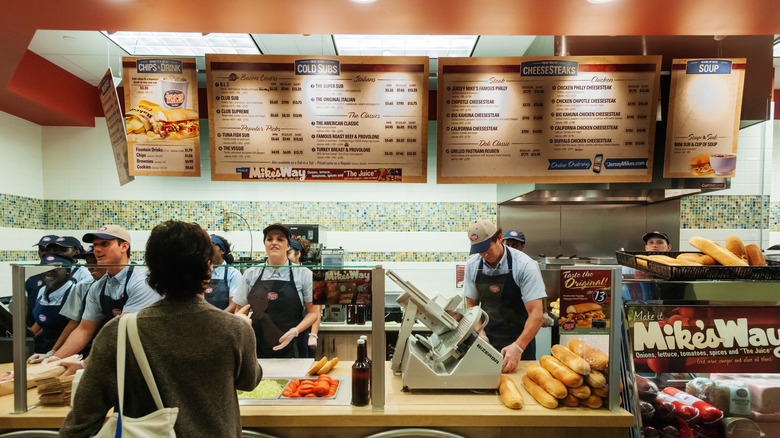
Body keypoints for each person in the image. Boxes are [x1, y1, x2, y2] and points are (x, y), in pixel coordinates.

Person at [60, 220, 262, 438]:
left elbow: (80, 422)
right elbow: (249, 381)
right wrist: (245, 333)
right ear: (208, 267)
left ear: (151, 270)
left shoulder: (118, 331)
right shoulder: (234, 329)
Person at [44, 225, 161, 362]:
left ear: (124, 247)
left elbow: (123, 330)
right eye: (95, 245)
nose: (97, 250)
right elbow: (84, 330)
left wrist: (86, 363)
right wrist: (55, 358)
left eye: (105, 244)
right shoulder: (98, 286)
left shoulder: (142, 281)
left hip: (150, 356)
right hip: (120, 354)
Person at [462, 220, 546, 373]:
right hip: (488, 342)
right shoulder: (472, 266)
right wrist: (481, 335)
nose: (484, 254)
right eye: (479, 250)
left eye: (487, 248)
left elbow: (536, 314)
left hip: (521, 343)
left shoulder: (525, 265)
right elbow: (471, 305)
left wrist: (518, 347)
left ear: (499, 238)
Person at [233, 223, 318, 358]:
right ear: (265, 244)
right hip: (256, 347)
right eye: (269, 239)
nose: (274, 242)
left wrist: (296, 331)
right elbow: (239, 310)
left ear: (288, 245)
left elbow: (313, 312)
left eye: (280, 239)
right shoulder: (251, 273)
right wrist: (242, 323)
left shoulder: (304, 274)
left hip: (293, 347)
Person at [27, 253, 77, 355]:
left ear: (67, 271)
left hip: (66, 350)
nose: (48, 271)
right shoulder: (42, 290)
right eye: (44, 268)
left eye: (54, 268)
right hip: (43, 348)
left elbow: (73, 325)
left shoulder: (74, 291)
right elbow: (44, 322)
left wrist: (52, 353)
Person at [289, 237, 320, 357]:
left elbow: (316, 310)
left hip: (304, 328)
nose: (285, 257)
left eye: (288, 253)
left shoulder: (308, 274)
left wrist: (313, 335)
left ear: (298, 254)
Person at [206, 234, 242, 312]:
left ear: (222, 251)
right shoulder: (201, 272)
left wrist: (219, 317)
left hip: (225, 318)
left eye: (211, 246)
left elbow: (233, 305)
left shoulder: (233, 274)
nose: (207, 249)